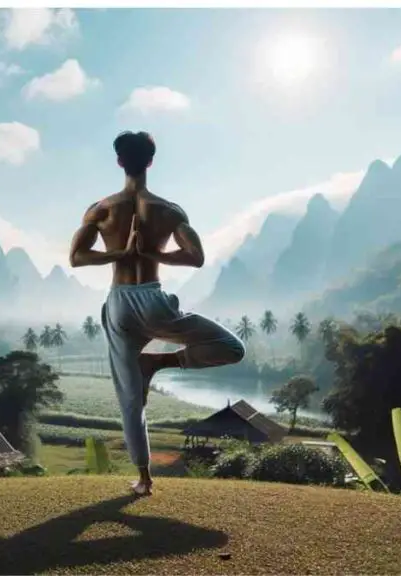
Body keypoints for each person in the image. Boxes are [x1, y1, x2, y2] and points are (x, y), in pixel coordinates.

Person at [68, 131, 246, 496]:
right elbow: (195, 257)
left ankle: (144, 480)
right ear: (150, 162)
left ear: (119, 162)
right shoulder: (169, 211)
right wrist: (153, 255)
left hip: (118, 303)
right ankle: (161, 363)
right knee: (233, 347)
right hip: (153, 301)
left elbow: (77, 258)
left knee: (130, 397)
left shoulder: (99, 209)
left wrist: (121, 254)